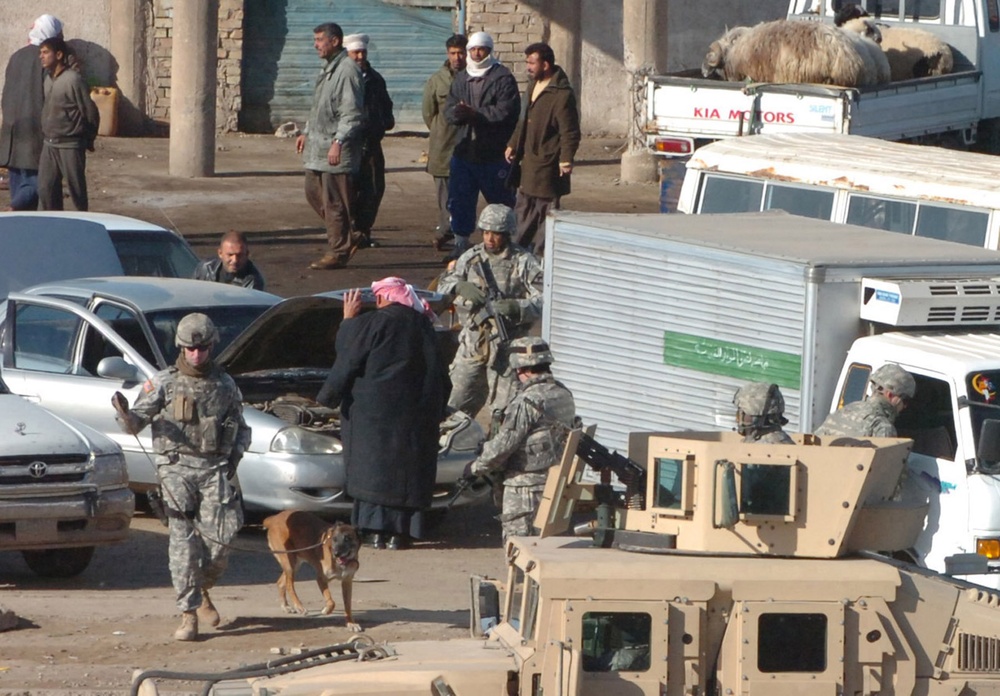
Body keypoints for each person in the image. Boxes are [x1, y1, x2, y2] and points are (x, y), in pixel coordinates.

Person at [113, 313, 250, 641]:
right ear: (181, 348)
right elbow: (137, 421)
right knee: (183, 541)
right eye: (190, 348)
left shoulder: (225, 384)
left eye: (202, 348)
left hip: (213, 467)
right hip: (175, 468)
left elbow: (241, 427)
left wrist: (233, 460)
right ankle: (188, 613)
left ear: (212, 346)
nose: (196, 354)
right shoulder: (164, 382)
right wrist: (124, 414)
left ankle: (202, 587)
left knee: (224, 536)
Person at [316, 277, 450, 551]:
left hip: (373, 419)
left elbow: (347, 358)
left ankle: (374, 532)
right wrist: (437, 409)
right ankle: (400, 535)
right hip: (416, 421)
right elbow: (442, 376)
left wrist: (348, 320)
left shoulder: (371, 323)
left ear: (379, 298)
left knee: (374, 474)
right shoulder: (425, 327)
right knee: (406, 477)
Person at [436, 203, 543, 419]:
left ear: (506, 234)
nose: (489, 239)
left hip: (508, 344)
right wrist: (457, 286)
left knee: (503, 410)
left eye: (495, 234)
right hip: (473, 342)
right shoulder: (471, 258)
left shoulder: (524, 262)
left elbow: (544, 299)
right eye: (485, 233)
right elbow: (442, 286)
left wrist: (517, 307)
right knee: (453, 402)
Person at [464, 337, 576, 542]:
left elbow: (504, 444)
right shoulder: (562, 394)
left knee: (520, 552)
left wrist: (474, 468)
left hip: (525, 490)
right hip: (554, 485)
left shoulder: (527, 401)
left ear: (519, 369)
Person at [443, 31, 520, 261]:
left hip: (492, 153)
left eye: (481, 49)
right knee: (460, 200)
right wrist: (458, 114)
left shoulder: (502, 77)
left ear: (489, 50)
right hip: (464, 151)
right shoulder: (461, 78)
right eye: (473, 50)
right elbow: (448, 109)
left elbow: (505, 112)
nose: (477, 54)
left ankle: (506, 246)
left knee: (501, 202)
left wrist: (475, 114)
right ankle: (460, 245)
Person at [296, 22, 364, 271]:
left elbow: (351, 114)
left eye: (319, 40)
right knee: (313, 193)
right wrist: (306, 132)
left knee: (334, 201)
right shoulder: (328, 69)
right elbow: (318, 107)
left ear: (335, 41)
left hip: (335, 150)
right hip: (317, 147)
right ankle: (347, 233)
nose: (316, 45)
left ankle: (338, 250)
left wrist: (338, 142)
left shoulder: (347, 71)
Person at [506, 42, 581, 254]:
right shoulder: (532, 86)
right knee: (523, 209)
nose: (528, 67)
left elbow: (570, 131)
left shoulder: (561, 95)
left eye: (532, 62)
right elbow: (523, 120)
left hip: (548, 165)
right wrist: (513, 144)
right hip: (529, 162)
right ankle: (517, 253)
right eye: (527, 62)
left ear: (545, 64)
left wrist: (566, 159)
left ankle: (541, 258)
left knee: (545, 214)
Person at [0, 14, 64, 211]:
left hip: (12, 133)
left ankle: (17, 216)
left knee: (20, 181)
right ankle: (14, 207)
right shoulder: (47, 60)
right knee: (40, 183)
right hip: (36, 133)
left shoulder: (17, 56)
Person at [37, 35, 98, 212]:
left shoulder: (73, 80)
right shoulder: (47, 79)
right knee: (45, 189)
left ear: (58, 55)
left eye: (46, 52)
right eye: (40, 53)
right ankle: (50, 226)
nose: (41, 56)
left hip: (70, 145)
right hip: (49, 144)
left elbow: (90, 111)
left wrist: (89, 139)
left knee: (76, 189)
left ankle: (82, 225)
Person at [345, 33, 394, 250]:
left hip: (372, 143)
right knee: (347, 189)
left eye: (363, 52)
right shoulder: (341, 79)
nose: (360, 56)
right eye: (355, 52)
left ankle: (364, 231)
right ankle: (348, 232)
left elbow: (386, 106)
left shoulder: (375, 79)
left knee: (373, 188)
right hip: (348, 144)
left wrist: (383, 123)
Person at [423, 34, 468, 251]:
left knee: (464, 192)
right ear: (447, 54)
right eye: (453, 53)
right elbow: (428, 113)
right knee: (444, 194)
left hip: (468, 144)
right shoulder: (437, 80)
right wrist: (441, 130)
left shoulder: (474, 77)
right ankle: (446, 228)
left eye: (461, 52)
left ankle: (458, 232)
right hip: (442, 146)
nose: (457, 57)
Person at [814, 363, 916, 438]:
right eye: (905, 400)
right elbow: (888, 466)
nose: (904, 406)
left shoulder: (844, 410)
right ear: (890, 395)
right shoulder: (882, 428)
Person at [192, 230, 266, 290]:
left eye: (239, 255)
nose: (235, 260)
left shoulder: (252, 281)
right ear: (220, 253)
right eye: (230, 255)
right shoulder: (206, 269)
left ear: (247, 254)